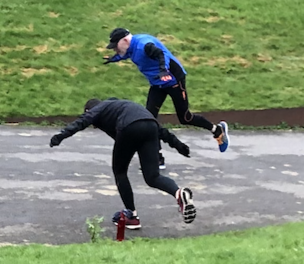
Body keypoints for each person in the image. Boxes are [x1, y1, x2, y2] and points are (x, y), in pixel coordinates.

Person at [48, 96, 198, 238]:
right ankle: (179, 193)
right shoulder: (118, 106)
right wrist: (179, 146)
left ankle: (131, 215)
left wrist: (60, 137)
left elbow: (81, 122)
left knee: (120, 172)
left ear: (89, 110)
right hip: (150, 124)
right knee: (153, 177)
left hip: (129, 127)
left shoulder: (99, 109)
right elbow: (161, 130)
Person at [103, 27, 229, 152]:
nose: (115, 49)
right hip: (157, 84)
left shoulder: (144, 45)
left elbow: (160, 54)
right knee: (149, 119)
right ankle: (156, 156)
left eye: (115, 46)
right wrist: (113, 59)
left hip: (173, 80)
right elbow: (126, 54)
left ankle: (217, 130)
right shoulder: (130, 47)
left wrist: (163, 70)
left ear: (125, 40)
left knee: (185, 118)